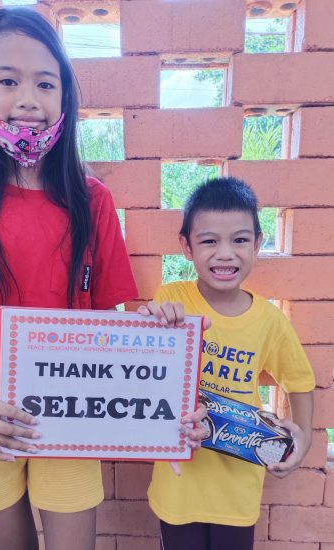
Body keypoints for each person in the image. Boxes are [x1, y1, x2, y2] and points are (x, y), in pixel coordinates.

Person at [0, 9, 137, 550]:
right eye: (8, 81)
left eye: (45, 83)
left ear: (65, 95)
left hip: (71, 416)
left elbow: (113, 321)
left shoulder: (92, 200)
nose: (28, 99)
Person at [139, 177, 315, 550]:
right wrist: (154, 320)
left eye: (239, 240)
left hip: (238, 487)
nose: (224, 254)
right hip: (179, 485)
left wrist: (303, 438)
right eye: (209, 241)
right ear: (186, 246)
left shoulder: (269, 321)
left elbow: (299, 382)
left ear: (258, 243)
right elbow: (145, 369)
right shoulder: (172, 300)